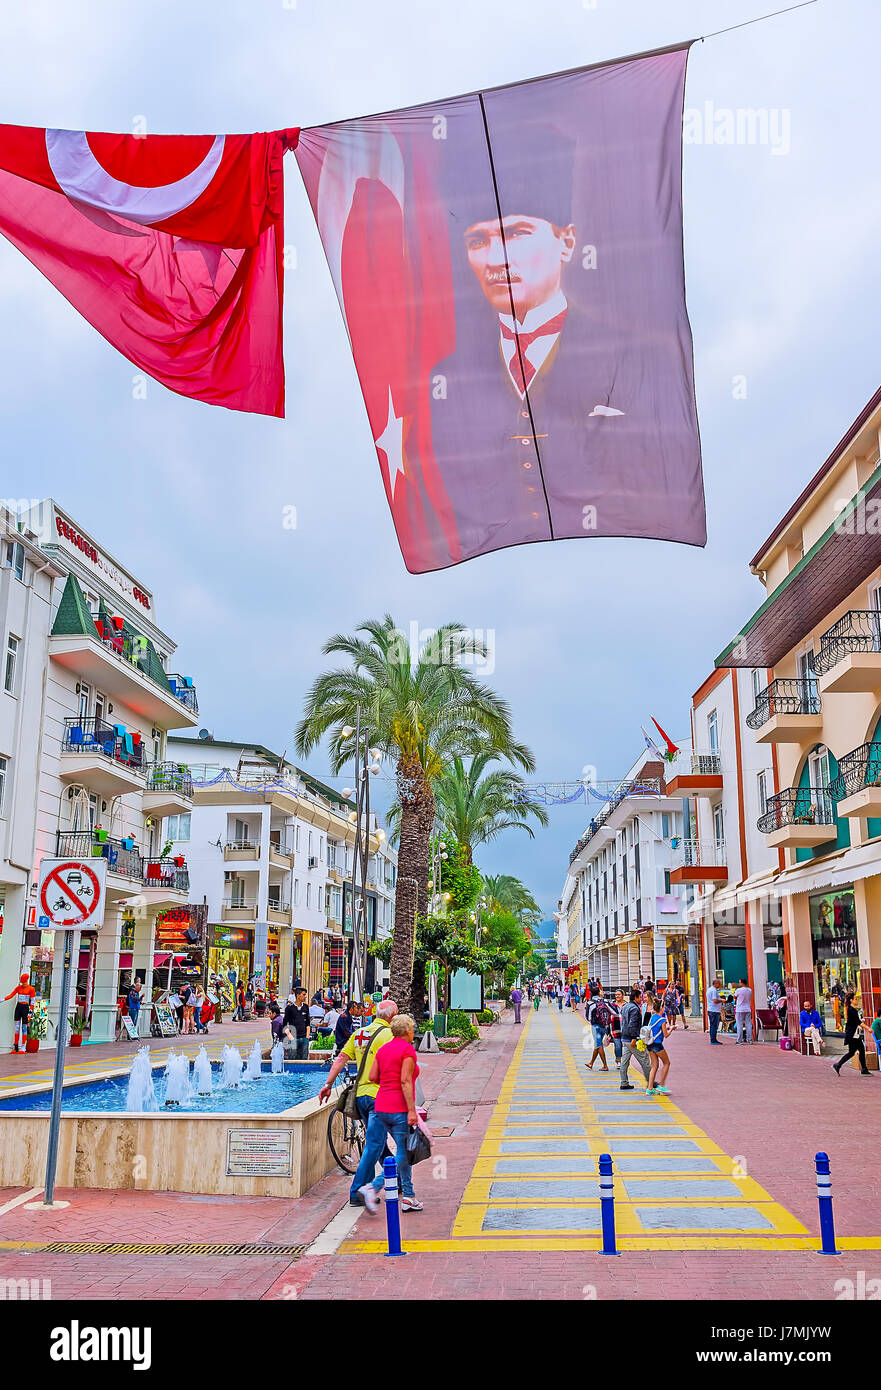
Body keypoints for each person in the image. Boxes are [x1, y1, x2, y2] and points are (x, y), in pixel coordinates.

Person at [319, 1000, 398, 1205]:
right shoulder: (390, 1036)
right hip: (379, 1097)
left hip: (361, 1096)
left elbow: (340, 1059)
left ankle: (396, 1180)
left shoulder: (360, 1033)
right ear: (391, 1017)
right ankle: (357, 1192)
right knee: (374, 1144)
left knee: (378, 1143)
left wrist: (327, 1084)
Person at [351, 1013, 423, 1214]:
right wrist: (411, 1110)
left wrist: (387, 1084)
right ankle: (372, 1187)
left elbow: (373, 1076)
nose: (413, 1032)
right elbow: (405, 1081)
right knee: (402, 1152)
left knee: (400, 1150)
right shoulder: (407, 1050)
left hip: (380, 1105)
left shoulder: (382, 1050)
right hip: (398, 1107)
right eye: (412, 1029)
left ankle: (409, 1196)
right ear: (407, 1031)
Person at [619, 987, 651, 1091]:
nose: (641, 999)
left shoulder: (625, 1006)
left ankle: (624, 1082)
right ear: (636, 997)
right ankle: (651, 1083)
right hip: (631, 1039)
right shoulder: (635, 1009)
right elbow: (632, 1024)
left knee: (624, 1062)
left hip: (624, 1038)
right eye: (640, 997)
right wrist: (634, 1037)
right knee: (645, 1060)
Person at [832, 993, 872, 1077]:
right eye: (855, 999)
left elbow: (857, 1021)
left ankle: (838, 1065)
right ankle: (863, 1069)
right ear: (851, 1000)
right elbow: (858, 1022)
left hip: (854, 1035)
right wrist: (868, 1028)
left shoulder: (853, 1010)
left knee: (853, 1052)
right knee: (859, 1050)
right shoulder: (851, 1010)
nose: (857, 1000)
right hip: (853, 1035)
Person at [645, 994, 672, 1096]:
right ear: (662, 1008)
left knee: (654, 1066)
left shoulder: (653, 1017)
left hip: (650, 1044)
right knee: (667, 1063)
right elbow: (666, 1035)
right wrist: (671, 1030)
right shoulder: (662, 1020)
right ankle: (661, 1084)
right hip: (657, 1045)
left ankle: (650, 1088)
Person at [5, 973, 35, 1053]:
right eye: (22, 982)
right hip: (18, 1007)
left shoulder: (31, 989)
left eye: (24, 982)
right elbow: (11, 995)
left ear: (27, 981)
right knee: (17, 1028)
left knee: (24, 1028)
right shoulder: (18, 988)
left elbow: (32, 1001)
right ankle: (16, 1047)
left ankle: (23, 1047)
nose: (23, 984)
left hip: (25, 1008)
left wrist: (30, 1012)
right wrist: (3, 999)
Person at [585, 989, 611, 1072]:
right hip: (604, 1025)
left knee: (599, 1045)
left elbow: (588, 1017)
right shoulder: (605, 1001)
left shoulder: (590, 1003)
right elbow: (611, 1010)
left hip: (595, 1026)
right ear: (599, 993)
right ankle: (591, 1063)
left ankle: (605, 1065)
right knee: (598, 1044)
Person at [283, 988, 311, 1061]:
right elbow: (285, 1025)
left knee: (304, 1060)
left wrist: (307, 1037)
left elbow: (308, 1023)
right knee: (292, 1059)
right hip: (293, 1039)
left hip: (304, 1038)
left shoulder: (305, 1007)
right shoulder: (289, 1008)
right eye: (304, 995)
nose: (305, 997)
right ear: (298, 995)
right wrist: (290, 1037)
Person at [734, 978, 754, 1045]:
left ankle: (739, 1040)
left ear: (742, 983)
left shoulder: (738, 990)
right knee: (748, 1024)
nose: (739, 983)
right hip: (747, 1009)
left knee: (739, 1024)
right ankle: (750, 1039)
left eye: (740, 982)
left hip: (739, 1009)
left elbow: (735, 997)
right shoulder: (749, 990)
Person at [607, 990, 624, 1065]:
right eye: (616, 995)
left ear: (623, 995)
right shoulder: (612, 1005)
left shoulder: (626, 1005)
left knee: (625, 1046)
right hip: (615, 1029)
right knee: (618, 1045)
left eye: (619, 994)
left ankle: (623, 1060)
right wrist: (607, 1032)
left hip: (625, 1029)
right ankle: (618, 1060)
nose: (617, 996)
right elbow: (607, 1018)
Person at [707, 976, 723, 1046]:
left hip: (711, 1009)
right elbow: (715, 1000)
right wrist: (721, 1000)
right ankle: (713, 1040)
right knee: (714, 1025)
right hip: (714, 1010)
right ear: (716, 984)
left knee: (712, 1025)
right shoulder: (714, 990)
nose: (720, 985)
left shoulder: (709, 989)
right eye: (719, 984)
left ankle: (713, 1039)